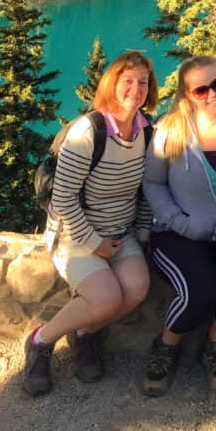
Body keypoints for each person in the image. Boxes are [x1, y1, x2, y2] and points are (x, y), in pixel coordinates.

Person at [23, 50, 159, 396]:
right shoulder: (88, 132)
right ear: (112, 84)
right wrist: (93, 242)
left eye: (143, 82)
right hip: (74, 235)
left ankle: (84, 333)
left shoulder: (146, 132)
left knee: (137, 288)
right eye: (127, 80)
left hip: (120, 233)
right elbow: (63, 197)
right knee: (106, 298)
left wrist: (141, 235)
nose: (136, 88)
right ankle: (40, 341)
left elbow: (144, 193)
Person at [141, 56, 216, 397]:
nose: (212, 93)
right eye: (201, 89)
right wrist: (179, 222)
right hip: (178, 231)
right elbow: (153, 183)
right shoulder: (170, 128)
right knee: (200, 291)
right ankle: (166, 346)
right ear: (187, 95)